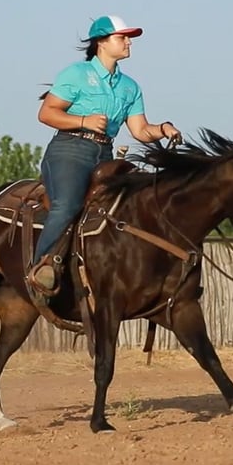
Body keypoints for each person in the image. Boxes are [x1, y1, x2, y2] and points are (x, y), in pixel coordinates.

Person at [27, 15, 182, 296]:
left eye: (128, 37)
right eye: (122, 37)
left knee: (134, 203)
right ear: (101, 42)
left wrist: (163, 129)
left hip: (105, 154)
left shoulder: (130, 87)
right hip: (69, 150)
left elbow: (140, 130)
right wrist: (83, 121)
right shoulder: (75, 74)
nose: (129, 42)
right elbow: (46, 113)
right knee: (68, 204)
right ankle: (41, 268)